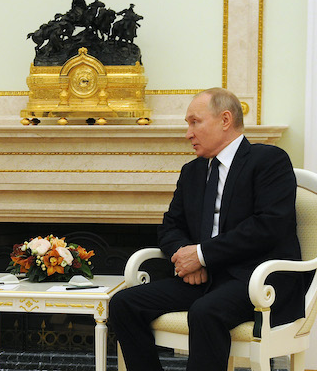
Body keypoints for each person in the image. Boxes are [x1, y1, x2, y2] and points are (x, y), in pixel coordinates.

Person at [109, 87, 305, 371]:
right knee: (123, 304)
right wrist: (188, 259)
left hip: (255, 280)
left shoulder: (269, 161)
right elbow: (170, 226)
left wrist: (202, 255)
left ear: (225, 120)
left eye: (194, 122)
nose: (188, 133)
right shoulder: (193, 171)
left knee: (205, 312)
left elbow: (268, 226)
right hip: (204, 279)